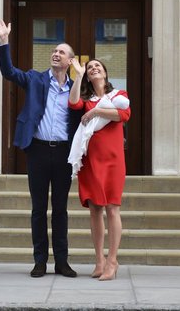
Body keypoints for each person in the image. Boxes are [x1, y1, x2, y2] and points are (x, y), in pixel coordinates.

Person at [0, 19, 81, 278]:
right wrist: (4, 41)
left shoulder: (75, 89)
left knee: (60, 209)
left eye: (61, 52)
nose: (56, 54)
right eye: (54, 50)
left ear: (70, 61)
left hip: (63, 153)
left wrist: (81, 76)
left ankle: (62, 262)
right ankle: (40, 261)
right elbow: (9, 72)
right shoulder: (34, 79)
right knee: (39, 208)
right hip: (38, 151)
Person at [68, 58, 130, 281]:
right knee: (95, 209)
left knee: (112, 208)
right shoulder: (87, 100)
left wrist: (95, 113)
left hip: (113, 160)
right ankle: (99, 261)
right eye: (90, 67)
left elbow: (123, 115)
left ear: (105, 72)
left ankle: (112, 261)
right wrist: (78, 74)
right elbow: (73, 103)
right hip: (91, 160)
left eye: (98, 66)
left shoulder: (118, 95)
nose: (94, 69)